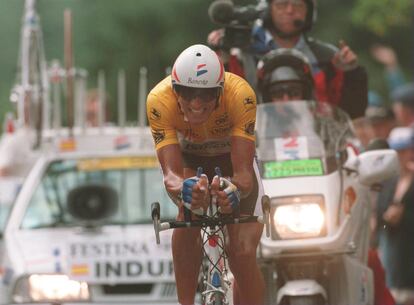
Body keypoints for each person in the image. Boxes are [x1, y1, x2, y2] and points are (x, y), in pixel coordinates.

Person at [258, 47, 396, 305]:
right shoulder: (251, 135)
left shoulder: (327, 130)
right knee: (234, 267)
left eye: (293, 91)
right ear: (267, 97)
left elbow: (352, 154)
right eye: (278, 93)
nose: (286, 98)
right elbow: (238, 166)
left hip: (324, 224)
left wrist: (362, 164)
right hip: (268, 227)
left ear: (306, 93)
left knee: (370, 259)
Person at [146, 44, 264, 305]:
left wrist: (235, 189)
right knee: (186, 214)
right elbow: (171, 176)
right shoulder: (158, 100)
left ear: (220, 91)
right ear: (175, 90)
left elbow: (244, 175)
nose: (196, 103)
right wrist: (184, 190)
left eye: (207, 94)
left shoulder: (241, 94)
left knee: (242, 253)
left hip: (232, 160)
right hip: (191, 159)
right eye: (187, 93)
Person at [208, 0, 368, 119]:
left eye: (298, 5)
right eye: (282, 4)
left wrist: (351, 73)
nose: (290, 10)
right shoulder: (241, 53)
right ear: (268, 10)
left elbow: (351, 114)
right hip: (257, 146)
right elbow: (222, 106)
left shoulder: (328, 57)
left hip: (317, 147)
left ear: (309, 13)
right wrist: (223, 59)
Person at [377, 127, 414, 305]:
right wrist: (387, 220)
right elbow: (380, 224)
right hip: (393, 258)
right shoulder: (387, 182)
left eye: (404, 150)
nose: (400, 156)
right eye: (397, 151)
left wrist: (404, 217)